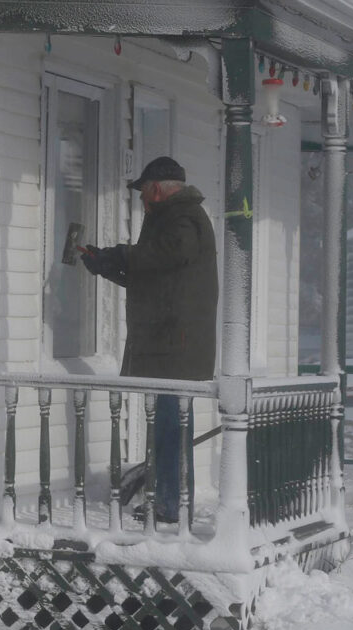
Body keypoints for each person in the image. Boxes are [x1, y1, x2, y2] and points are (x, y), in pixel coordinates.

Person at [80, 156, 218, 523]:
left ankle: (168, 504)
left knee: (170, 426)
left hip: (175, 346)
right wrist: (108, 265)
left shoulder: (183, 217)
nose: (141, 199)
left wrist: (121, 254)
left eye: (143, 191)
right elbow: (157, 276)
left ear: (156, 188)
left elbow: (173, 253)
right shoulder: (172, 218)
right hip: (171, 344)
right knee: (168, 424)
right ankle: (169, 499)